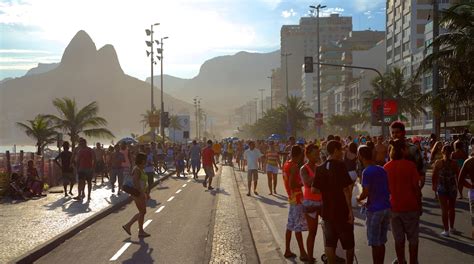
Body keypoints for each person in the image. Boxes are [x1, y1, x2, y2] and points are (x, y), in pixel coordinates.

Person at [312, 140, 355, 264]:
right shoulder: (340, 165)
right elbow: (346, 190)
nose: (342, 152)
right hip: (342, 211)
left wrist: (327, 191)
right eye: (340, 149)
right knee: (349, 245)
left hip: (327, 212)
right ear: (335, 150)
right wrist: (350, 212)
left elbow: (314, 189)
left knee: (330, 244)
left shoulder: (320, 168)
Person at [384, 139, 422, 264]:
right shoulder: (410, 166)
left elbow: (386, 190)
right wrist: (419, 204)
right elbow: (416, 188)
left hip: (394, 207)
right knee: (413, 240)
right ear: (402, 150)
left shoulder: (386, 167)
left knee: (398, 240)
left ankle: (401, 261)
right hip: (410, 206)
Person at [356, 145, 391, 264]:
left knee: (375, 243)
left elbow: (365, 192)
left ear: (360, 156)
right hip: (386, 207)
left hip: (375, 210)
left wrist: (358, 198)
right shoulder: (381, 169)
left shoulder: (367, 171)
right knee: (381, 241)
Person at [282, 145, 309, 262]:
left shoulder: (287, 164)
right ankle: (302, 252)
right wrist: (303, 183)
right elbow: (293, 184)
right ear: (299, 155)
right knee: (297, 226)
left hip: (292, 197)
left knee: (290, 225)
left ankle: (287, 250)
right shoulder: (294, 167)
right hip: (296, 197)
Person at [300, 144, 322, 263]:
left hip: (321, 201)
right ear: (308, 155)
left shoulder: (319, 167)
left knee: (328, 229)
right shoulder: (304, 168)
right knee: (312, 232)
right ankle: (310, 257)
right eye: (315, 154)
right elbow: (307, 183)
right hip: (310, 203)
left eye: (318, 153)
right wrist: (320, 173)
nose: (317, 156)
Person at [432, 144, 460, 236]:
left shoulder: (438, 163)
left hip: (442, 187)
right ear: (451, 152)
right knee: (452, 208)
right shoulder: (454, 163)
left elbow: (434, 175)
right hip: (452, 188)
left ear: (442, 152)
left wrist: (434, 185)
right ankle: (451, 227)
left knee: (444, 209)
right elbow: (458, 176)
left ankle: (446, 230)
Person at [122, 153, 151, 238]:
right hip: (137, 193)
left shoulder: (141, 169)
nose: (146, 161)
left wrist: (146, 193)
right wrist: (142, 193)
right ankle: (131, 227)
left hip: (140, 193)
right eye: (145, 160)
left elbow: (142, 183)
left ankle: (136, 229)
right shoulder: (137, 169)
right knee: (142, 212)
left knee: (142, 212)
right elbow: (136, 182)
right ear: (142, 160)